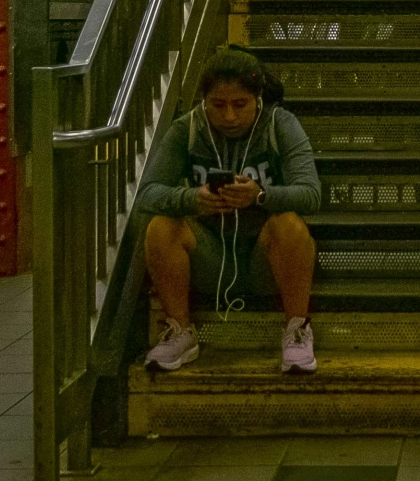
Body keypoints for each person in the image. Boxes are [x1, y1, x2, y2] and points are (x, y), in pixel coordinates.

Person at [135, 48, 323, 374]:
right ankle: (181, 332)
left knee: (290, 224)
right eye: (218, 106)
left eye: (240, 105)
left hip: (266, 259)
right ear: (204, 101)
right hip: (211, 258)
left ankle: (296, 329)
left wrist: (260, 196)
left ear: (258, 99)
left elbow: (311, 194)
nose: (230, 117)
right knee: (160, 226)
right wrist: (191, 199)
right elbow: (146, 194)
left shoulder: (280, 124)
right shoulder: (188, 129)